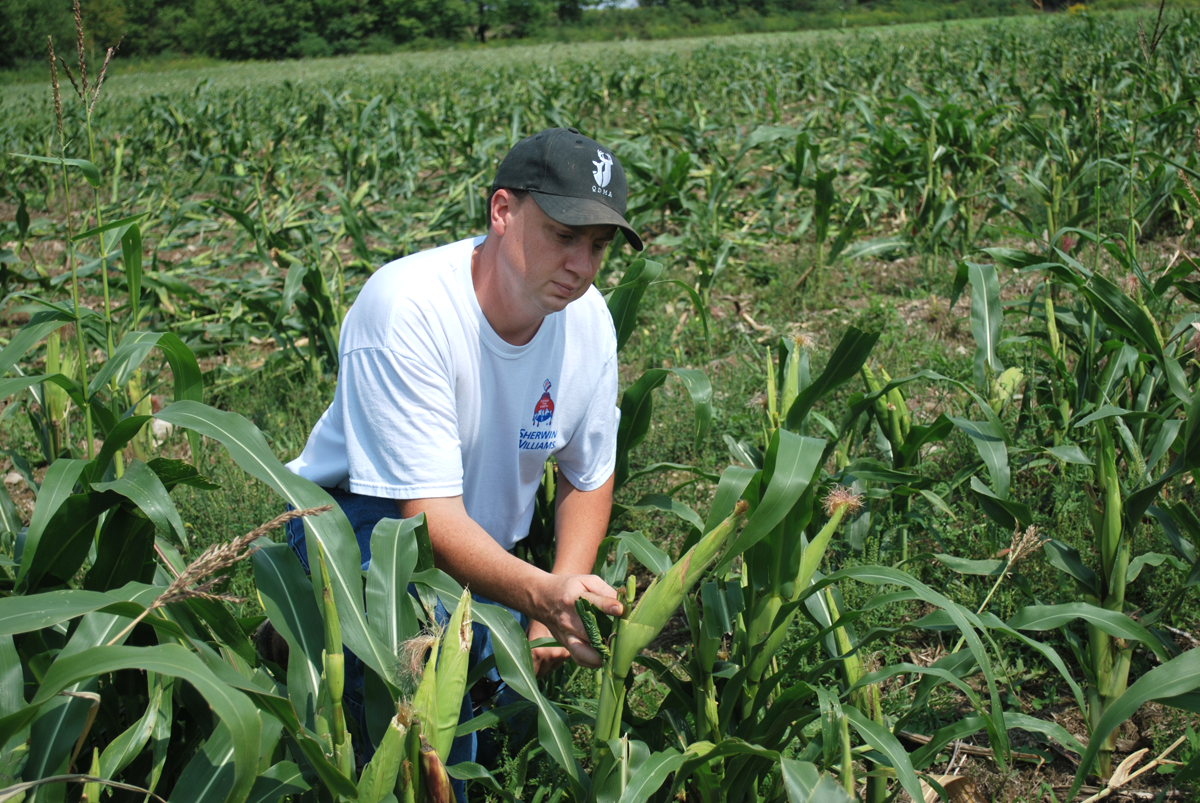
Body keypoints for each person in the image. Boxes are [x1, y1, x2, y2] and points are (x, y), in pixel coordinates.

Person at [281, 127, 645, 791]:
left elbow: (588, 474)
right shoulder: (407, 310)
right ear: (502, 211)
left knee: (507, 693)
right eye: (564, 235)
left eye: (598, 246)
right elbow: (425, 520)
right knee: (433, 697)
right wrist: (538, 590)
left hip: (473, 539)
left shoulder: (587, 320)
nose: (582, 265)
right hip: (357, 521)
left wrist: (548, 610)